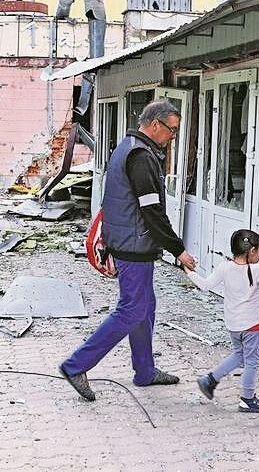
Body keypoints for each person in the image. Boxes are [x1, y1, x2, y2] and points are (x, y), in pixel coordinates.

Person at [59, 99, 197, 401]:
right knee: (132, 309)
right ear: (156, 124)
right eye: (172, 131)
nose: (173, 137)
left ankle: (145, 370)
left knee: (145, 306)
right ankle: (76, 365)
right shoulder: (142, 157)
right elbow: (152, 212)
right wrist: (179, 250)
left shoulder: (129, 146)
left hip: (128, 241)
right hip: (134, 245)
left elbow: (115, 202)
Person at [187, 229, 259, 414]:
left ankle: (210, 380)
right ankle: (247, 399)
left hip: (233, 325)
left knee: (239, 355)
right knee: (252, 361)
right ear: (252, 251)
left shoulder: (224, 267)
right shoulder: (258, 270)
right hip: (253, 326)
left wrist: (189, 272)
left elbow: (205, 286)